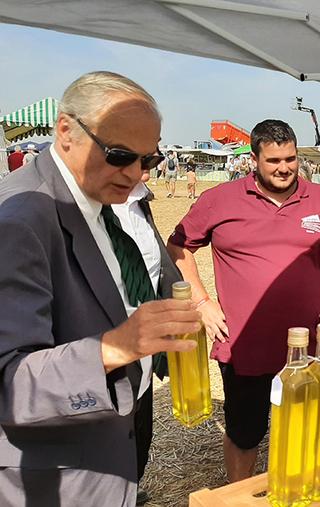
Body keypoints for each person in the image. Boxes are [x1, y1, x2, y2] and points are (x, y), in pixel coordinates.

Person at [0, 71, 200, 506]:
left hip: (105, 453)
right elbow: (9, 383)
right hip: (56, 479)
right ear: (66, 130)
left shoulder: (94, 200)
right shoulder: (19, 222)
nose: (133, 174)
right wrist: (115, 347)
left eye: (148, 161)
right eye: (119, 155)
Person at [167, 119, 320, 482]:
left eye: (290, 159)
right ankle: (239, 493)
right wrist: (201, 302)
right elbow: (179, 244)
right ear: (254, 160)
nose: (284, 168)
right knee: (245, 434)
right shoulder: (220, 200)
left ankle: (296, 491)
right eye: (274, 160)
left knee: (302, 430)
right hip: (243, 345)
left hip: (304, 350)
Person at [111, 166, 181, 505]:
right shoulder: (85, 207)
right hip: (108, 342)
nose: (152, 167)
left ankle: (128, 490)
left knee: (139, 427)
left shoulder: (139, 200)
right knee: (108, 431)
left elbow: (156, 263)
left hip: (146, 339)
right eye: (144, 157)